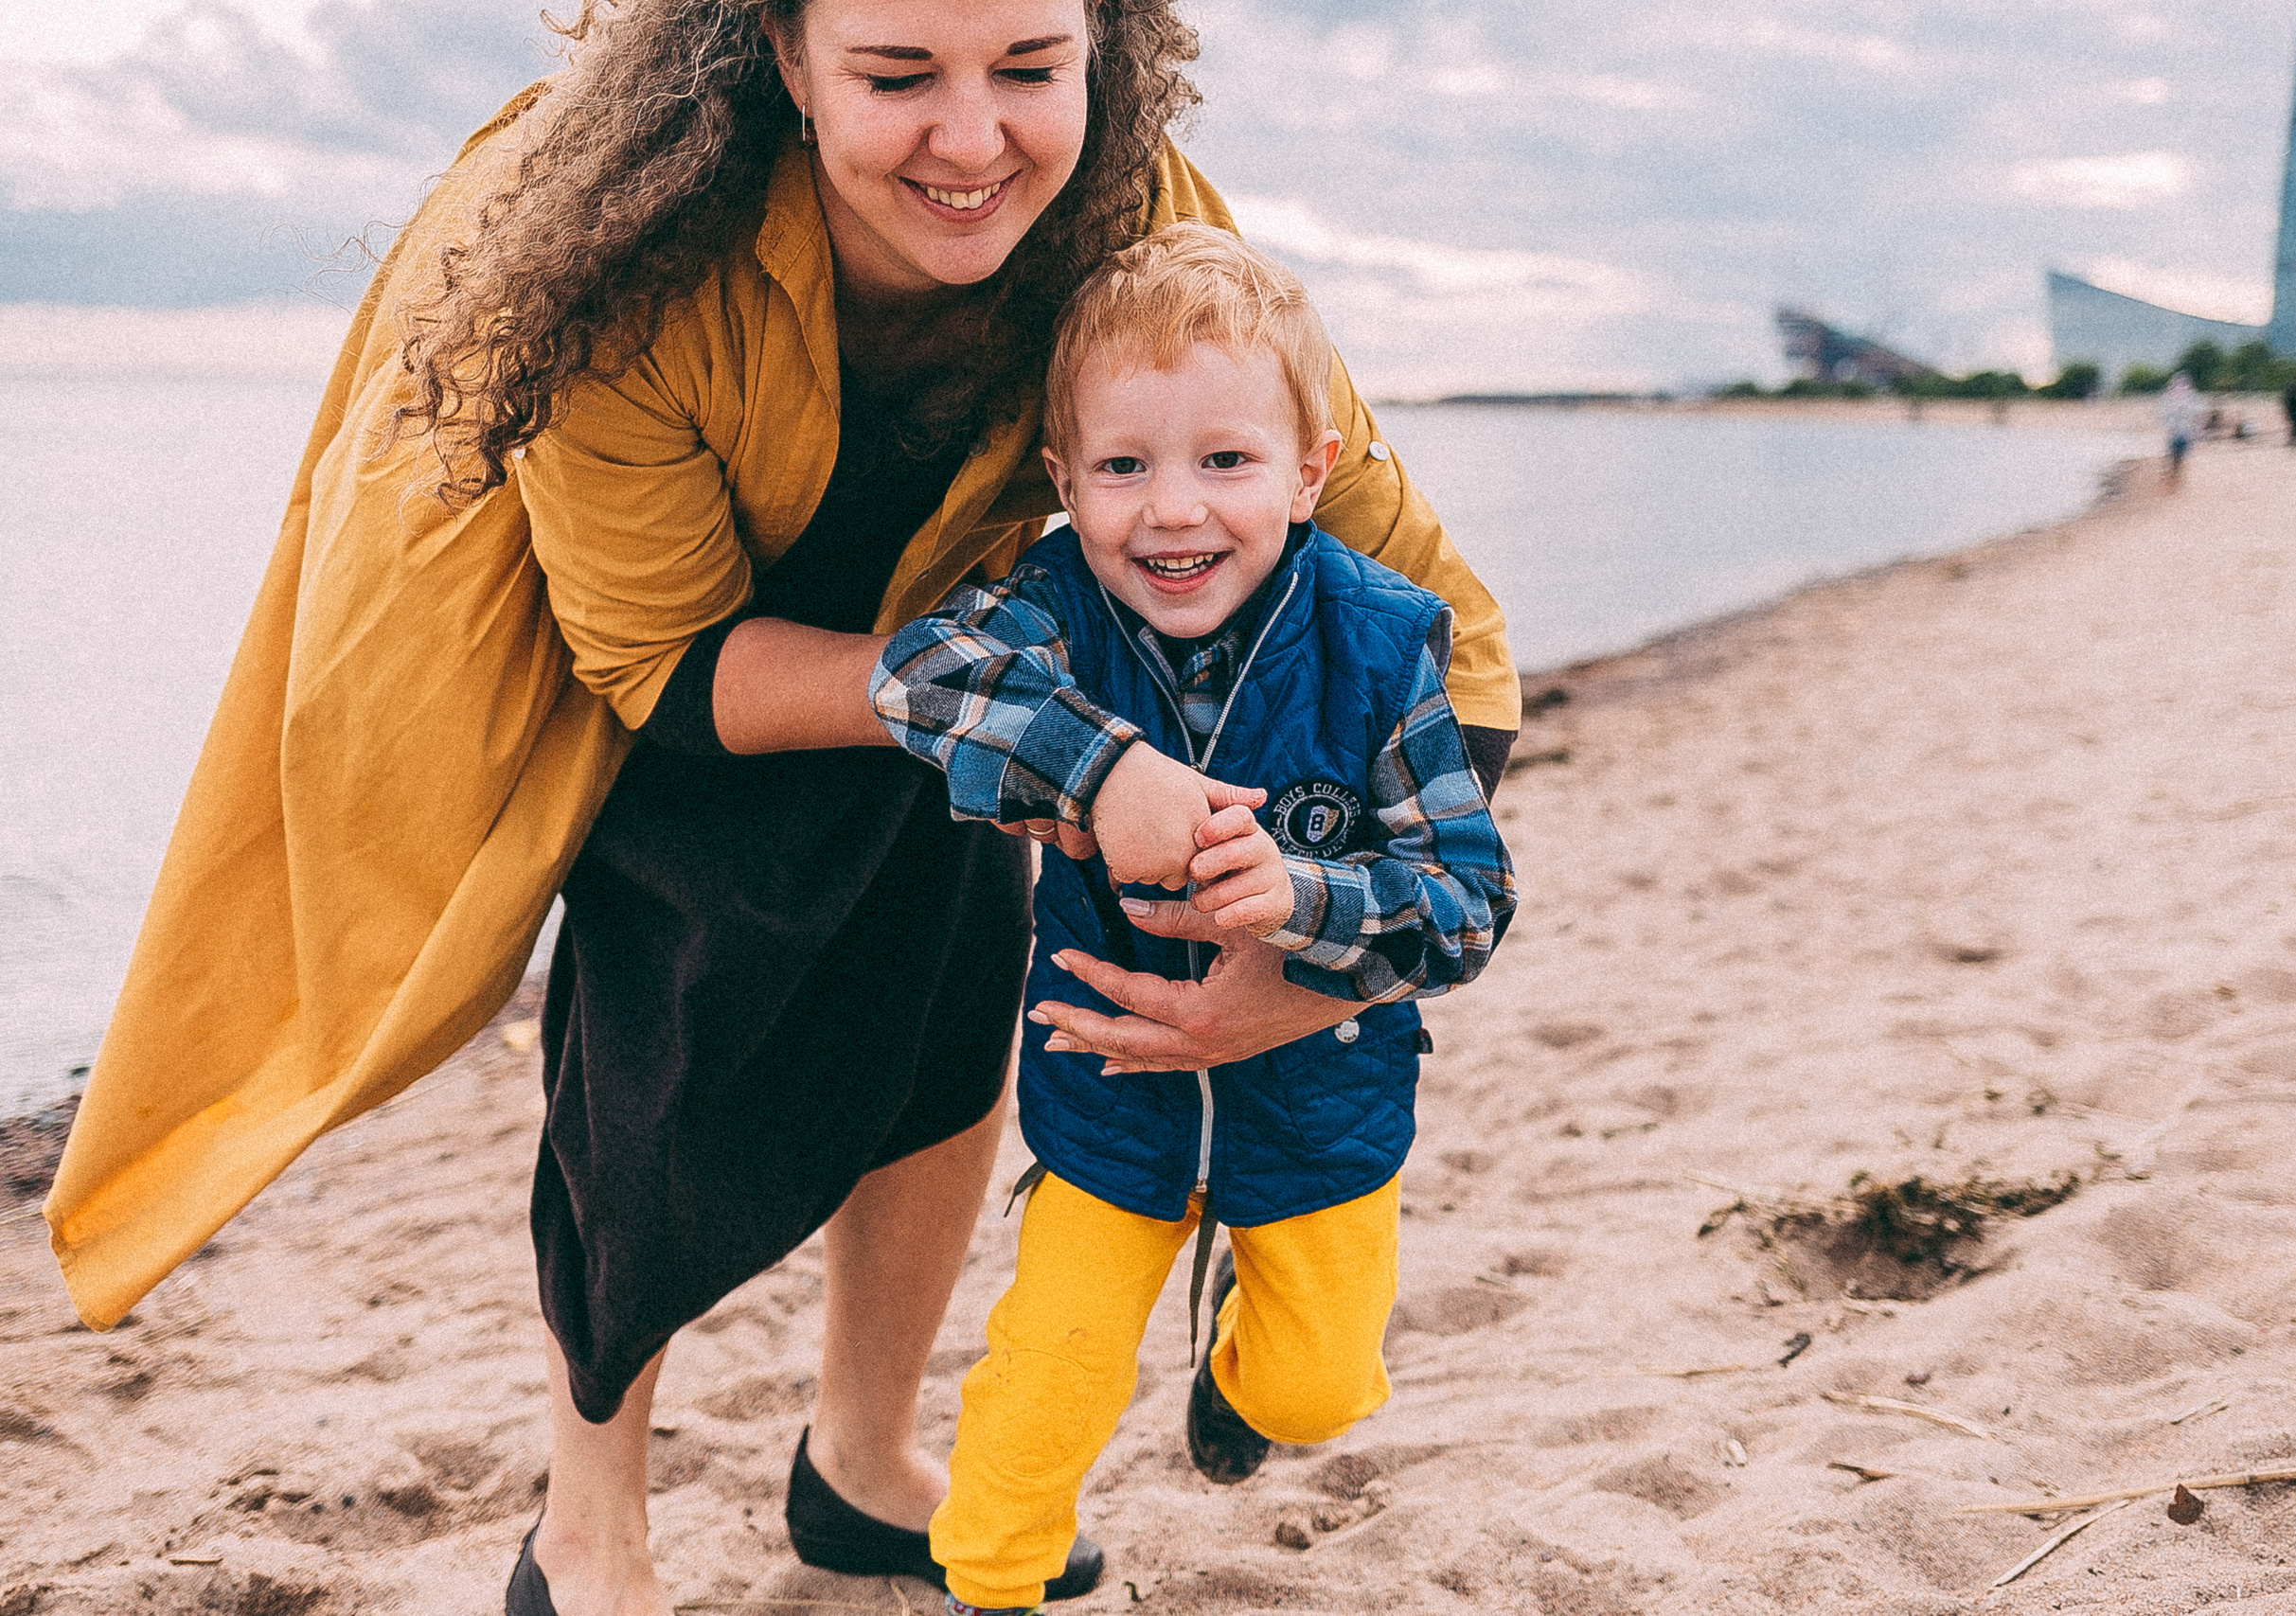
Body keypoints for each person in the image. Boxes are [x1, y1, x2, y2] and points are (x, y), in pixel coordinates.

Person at [40, 5, 1521, 1615]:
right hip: (706, 675)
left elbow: (1430, 609)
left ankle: (861, 1457)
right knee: (653, 1076)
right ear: (783, 56)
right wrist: (1070, 752)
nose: (976, 141)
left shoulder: (1135, 220)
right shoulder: (619, 251)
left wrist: (1300, 970)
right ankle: (589, 1523)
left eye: (1031, 66)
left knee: (949, 1011)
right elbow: (662, 663)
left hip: (990, 650)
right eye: (899, 77)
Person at [869, 224, 1515, 1616]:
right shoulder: (1053, 608)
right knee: (1044, 1384)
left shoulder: (1386, 641)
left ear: (1311, 467)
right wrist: (1099, 770)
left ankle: (1235, 1360)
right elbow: (914, 677)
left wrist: (1309, 900)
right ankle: (990, 1583)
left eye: (1225, 461)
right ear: (1063, 479)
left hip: (1323, 1102)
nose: (1172, 512)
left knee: (1319, 1385)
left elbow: (1469, 903)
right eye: (1123, 467)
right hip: (1112, 1098)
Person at [2159, 370, 2203, 488]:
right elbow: (2164, 415)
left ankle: (2173, 477)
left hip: (2185, 433)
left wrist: (2196, 429)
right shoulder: (2171, 399)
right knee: (2175, 456)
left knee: (2178, 457)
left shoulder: (2192, 398)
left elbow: (2197, 415)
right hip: (2178, 432)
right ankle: (2172, 477)